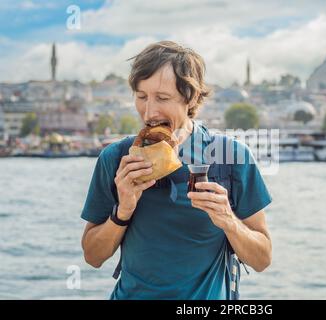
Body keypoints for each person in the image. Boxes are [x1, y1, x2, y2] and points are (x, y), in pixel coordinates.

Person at [81, 41, 272, 299]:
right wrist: (123, 211)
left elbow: (262, 259)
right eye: (141, 97)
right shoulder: (115, 159)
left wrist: (228, 221)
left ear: (191, 97)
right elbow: (93, 257)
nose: (149, 112)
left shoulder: (232, 157)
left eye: (162, 98)